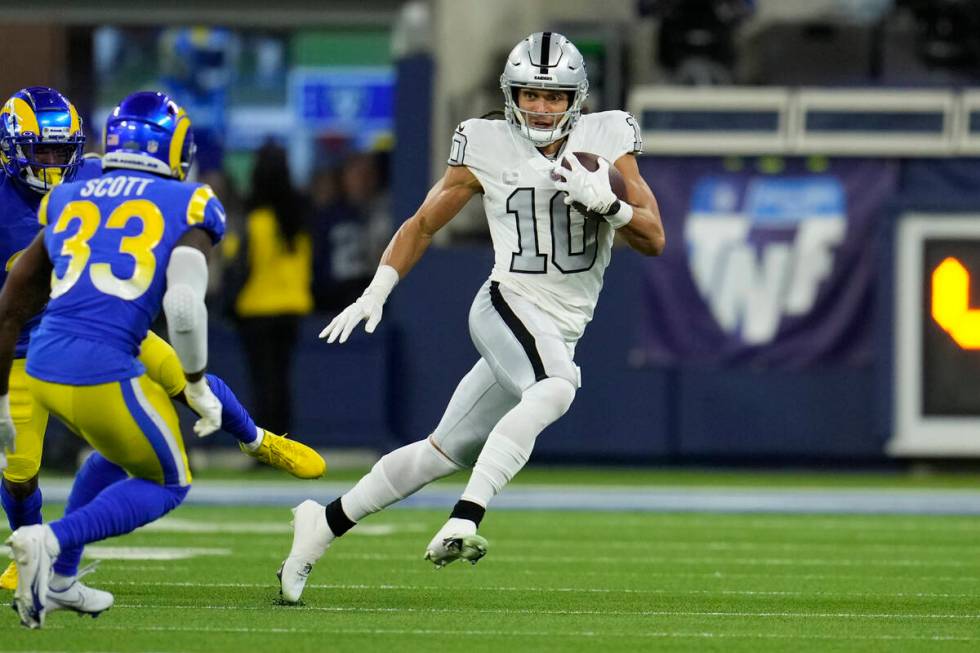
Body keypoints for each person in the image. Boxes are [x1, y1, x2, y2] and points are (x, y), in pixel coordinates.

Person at [278, 32, 665, 603]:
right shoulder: (484, 142)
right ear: (510, 95)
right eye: (529, 94)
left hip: (559, 326)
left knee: (443, 451)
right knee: (558, 386)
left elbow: (653, 236)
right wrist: (377, 289)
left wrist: (611, 204)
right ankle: (466, 517)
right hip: (507, 302)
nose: (540, 107)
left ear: (577, 99)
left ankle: (323, 523)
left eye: (554, 96)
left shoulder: (608, 135)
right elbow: (423, 224)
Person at [0, 88, 324, 602]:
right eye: (41, 151)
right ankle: (38, 551)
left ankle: (259, 440)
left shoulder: (86, 183)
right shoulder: (98, 190)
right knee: (21, 472)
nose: (52, 163)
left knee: (179, 378)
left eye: (62, 151)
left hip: (89, 324)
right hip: (24, 342)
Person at [234, 141, 313, 434]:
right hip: (292, 307)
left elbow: (241, 266)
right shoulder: (298, 217)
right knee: (280, 380)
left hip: (257, 308)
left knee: (262, 381)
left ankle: (265, 445)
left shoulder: (255, 219)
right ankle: (283, 439)